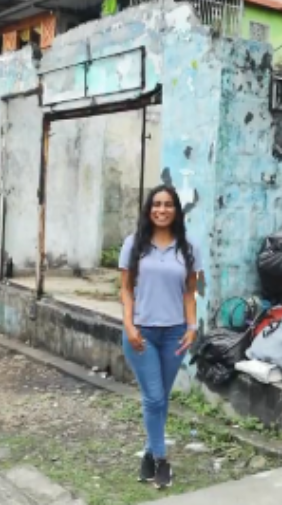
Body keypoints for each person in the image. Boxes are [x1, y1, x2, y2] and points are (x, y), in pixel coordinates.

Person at [120, 185, 203, 490]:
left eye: (168, 205)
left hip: (175, 335)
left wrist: (192, 327)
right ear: (148, 209)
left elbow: (190, 292)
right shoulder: (134, 244)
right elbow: (126, 289)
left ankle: (147, 454)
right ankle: (161, 460)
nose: (162, 210)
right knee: (153, 397)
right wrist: (129, 326)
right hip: (141, 333)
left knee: (160, 399)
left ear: (177, 210)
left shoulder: (189, 247)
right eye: (157, 204)